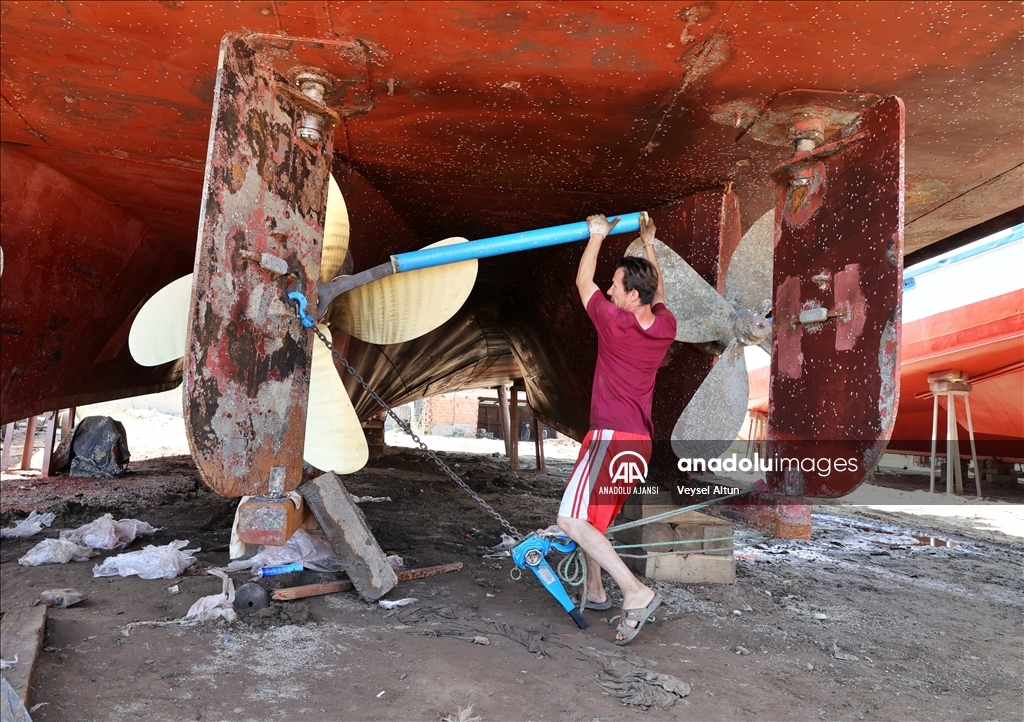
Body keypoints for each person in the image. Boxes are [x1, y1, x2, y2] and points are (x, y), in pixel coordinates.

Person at [556, 212, 676, 645]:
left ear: (630, 296)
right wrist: (648, 244)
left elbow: (583, 284)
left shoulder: (614, 323)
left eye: (616, 286)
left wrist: (596, 235)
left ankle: (635, 591)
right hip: (638, 443)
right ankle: (595, 588)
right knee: (593, 520)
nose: (609, 290)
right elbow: (658, 291)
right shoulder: (664, 326)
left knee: (569, 519)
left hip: (610, 436)